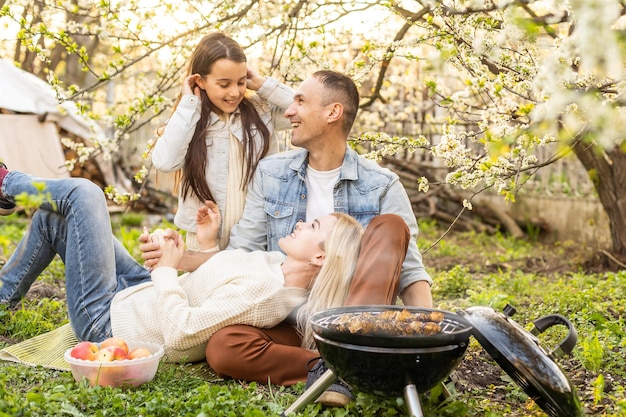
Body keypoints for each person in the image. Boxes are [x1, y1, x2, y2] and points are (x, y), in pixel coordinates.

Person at [140, 70, 434, 406]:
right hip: (288, 318)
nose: (289, 111)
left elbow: (409, 273)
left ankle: (349, 350)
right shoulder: (272, 173)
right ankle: (332, 370)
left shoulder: (381, 184)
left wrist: (425, 339)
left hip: (351, 316)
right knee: (223, 346)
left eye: (300, 101)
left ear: (332, 113)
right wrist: (177, 258)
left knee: (391, 226)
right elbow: (242, 251)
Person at [0, 165, 364, 363]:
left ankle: (7, 183)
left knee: (85, 194)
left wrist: (165, 271)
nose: (301, 223)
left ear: (320, 256)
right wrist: (190, 246)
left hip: (106, 321)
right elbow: (218, 275)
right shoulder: (276, 264)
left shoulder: (265, 294)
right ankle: (4, 298)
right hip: (138, 294)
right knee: (54, 219)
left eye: (312, 226)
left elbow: (182, 334)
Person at [151, 32, 294, 250]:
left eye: (241, 82)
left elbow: (305, 110)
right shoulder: (189, 120)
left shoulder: (261, 111)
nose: (235, 92)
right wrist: (189, 103)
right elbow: (164, 162)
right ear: (200, 81)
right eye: (224, 84)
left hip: (254, 235)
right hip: (205, 235)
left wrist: (263, 85)